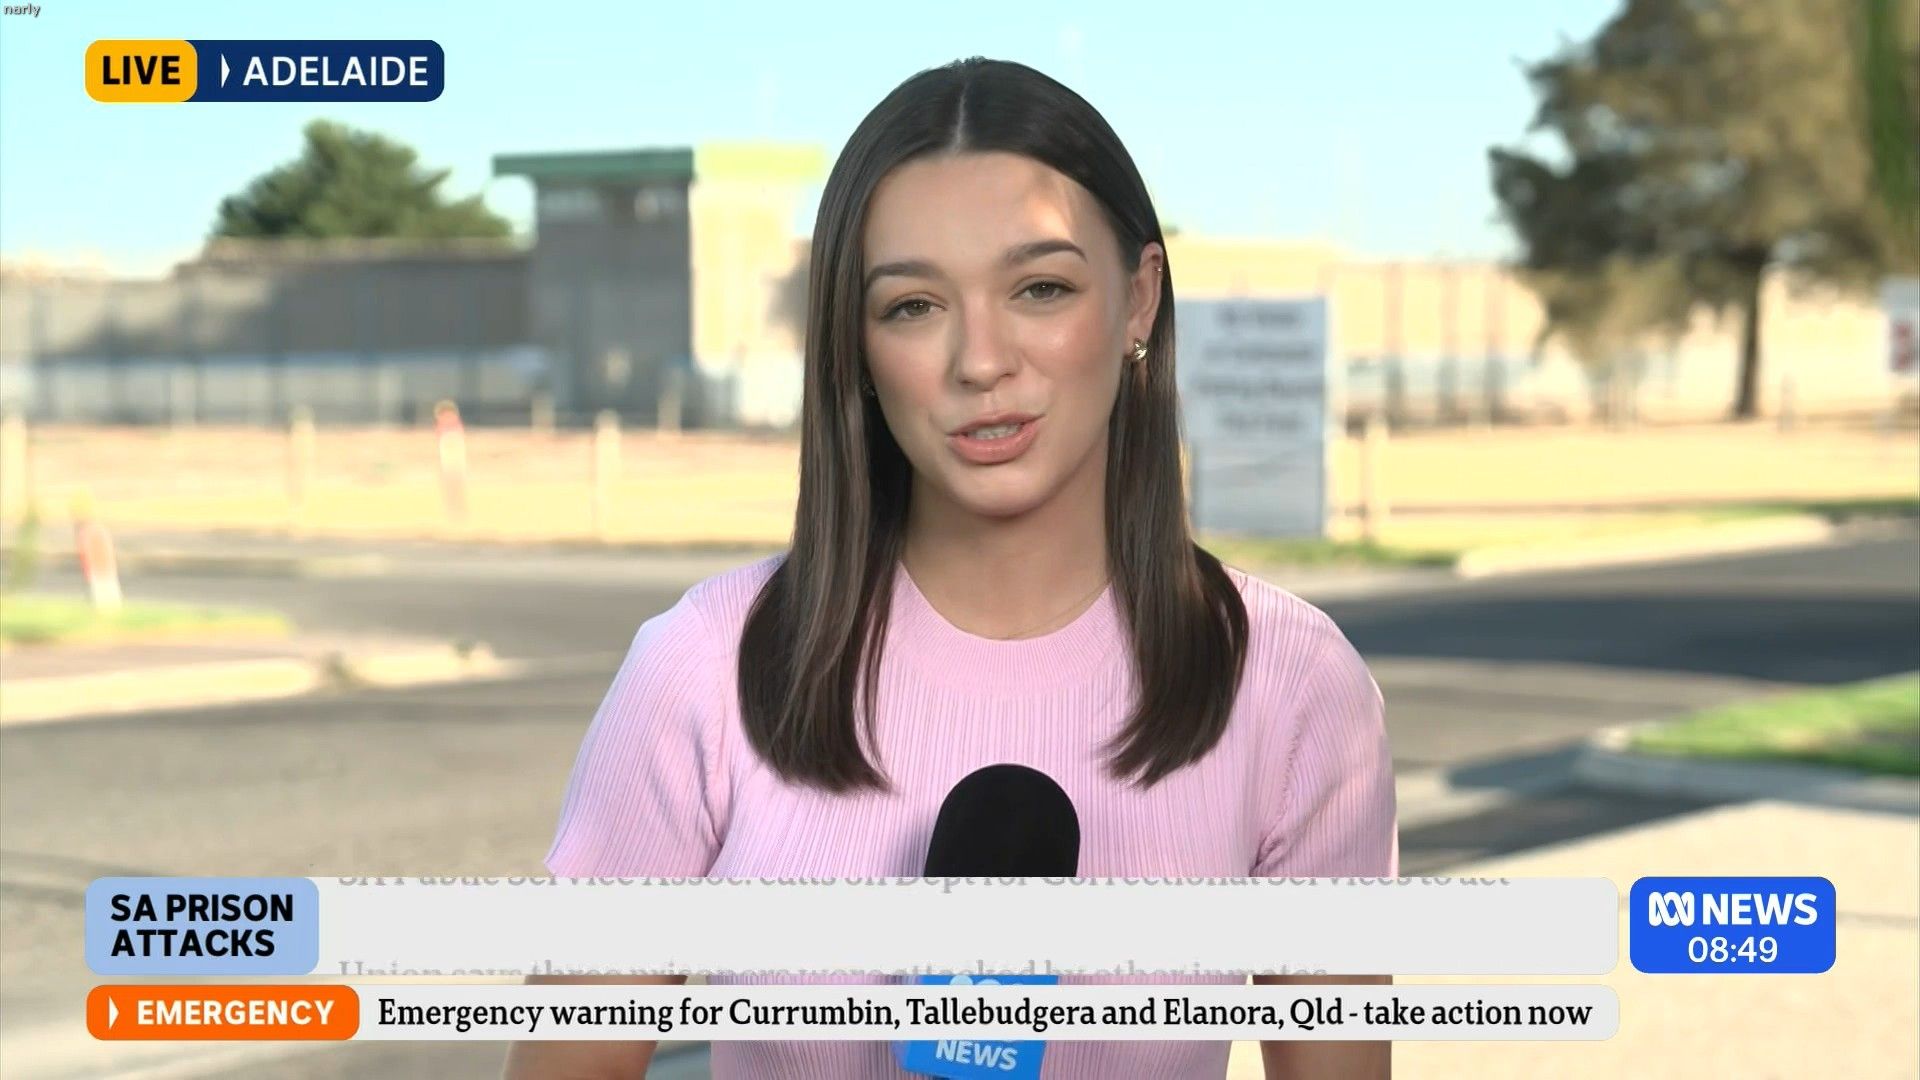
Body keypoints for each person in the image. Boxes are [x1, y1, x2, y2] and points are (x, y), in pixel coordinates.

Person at [504, 56, 1396, 1080]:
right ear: (855, 346)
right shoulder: (701, 667)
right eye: (913, 306)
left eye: (1041, 288)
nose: (980, 360)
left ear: (1139, 299)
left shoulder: (1292, 683)